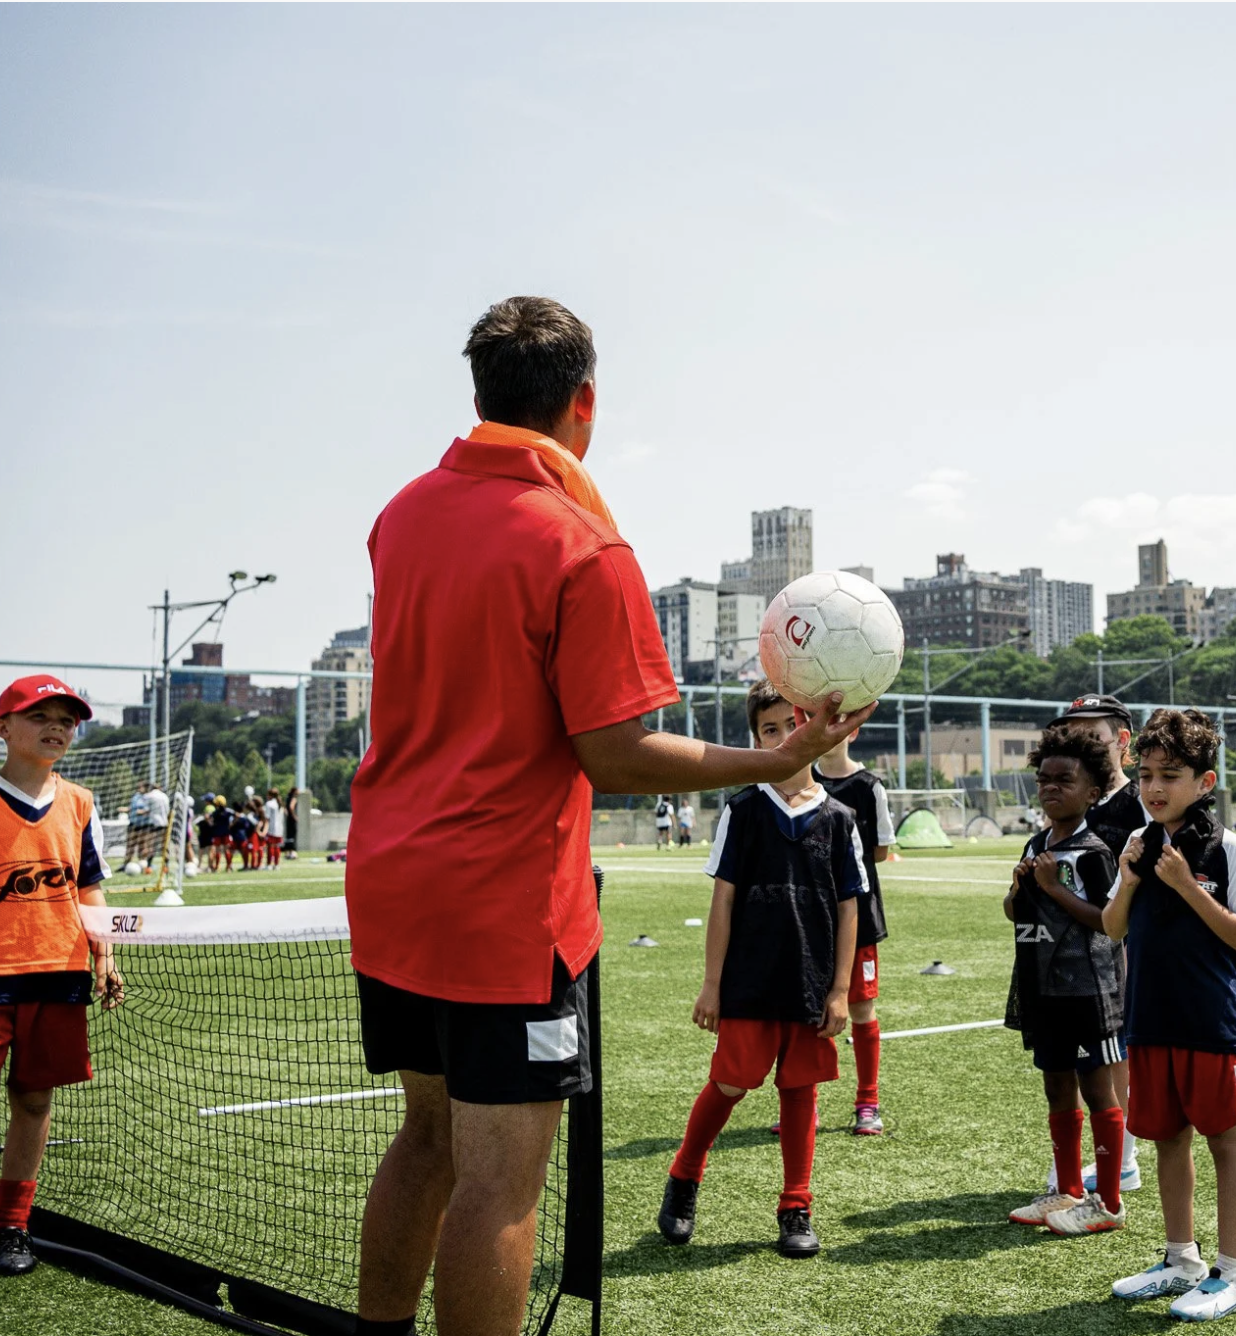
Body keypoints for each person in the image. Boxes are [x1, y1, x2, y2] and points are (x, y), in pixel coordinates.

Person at [345, 297, 871, 1336]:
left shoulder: (401, 512)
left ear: (480, 391)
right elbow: (616, 752)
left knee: (424, 1136)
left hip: (392, 883)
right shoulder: (584, 545)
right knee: (499, 1181)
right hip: (504, 910)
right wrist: (775, 756)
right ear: (585, 403)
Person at [657, 681, 865, 1259]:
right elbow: (721, 902)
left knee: (800, 1092)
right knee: (728, 1085)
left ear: (816, 730)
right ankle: (684, 1177)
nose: (783, 738)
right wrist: (711, 985)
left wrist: (841, 990)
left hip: (810, 983)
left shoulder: (840, 817)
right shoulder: (743, 810)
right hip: (749, 983)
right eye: (769, 730)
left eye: (793, 725)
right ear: (756, 740)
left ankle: (796, 1206)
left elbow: (849, 908)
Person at [1101, 709, 1236, 1322]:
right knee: (1167, 1138)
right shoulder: (1136, 846)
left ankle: (1233, 1270)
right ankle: (1181, 1259)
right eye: (1144, 775)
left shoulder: (1228, 849)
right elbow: (1112, 929)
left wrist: (1188, 887)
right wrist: (1129, 879)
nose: (1153, 787)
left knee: (1224, 1139)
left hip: (1209, 1022)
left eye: (1170, 774)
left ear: (1206, 780)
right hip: (1148, 1020)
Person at [0, 676, 123, 1277]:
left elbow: (89, 886)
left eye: (68, 719)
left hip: (58, 973)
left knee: (34, 1100)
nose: (58, 727)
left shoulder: (80, 802)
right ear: (3, 727)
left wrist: (104, 956)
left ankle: (11, 1227)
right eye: (41, 716)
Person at [1004, 726, 1128, 1236]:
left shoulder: (1096, 852)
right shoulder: (1037, 843)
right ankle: (1069, 1189)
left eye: (1065, 780)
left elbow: (1106, 921)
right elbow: (1014, 912)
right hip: (1041, 984)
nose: (1051, 788)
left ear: (1092, 793)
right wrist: (1019, 888)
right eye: (1044, 779)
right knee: (1056, 1085)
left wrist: (1053, 888)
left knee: (1097, 1087)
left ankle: (1110, 1202)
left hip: (1088, 989)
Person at [1048, 694, 1145, 1196]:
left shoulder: (1141, 803)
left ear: (1123, 742)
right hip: (1072, 959)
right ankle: (1092, 1161)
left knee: (1119, 1052)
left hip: (1128, 950)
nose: (1080, 744)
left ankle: (1125, 1155)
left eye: (1094, 734)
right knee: (1079, 1063)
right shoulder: (1072, 801)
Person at [812, 725, 897, 1134]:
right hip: (809, 915)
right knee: (809, 1007)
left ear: (854, 731)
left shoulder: (868, 786)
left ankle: (868, 1102)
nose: (830, 732)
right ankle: (803, 1101)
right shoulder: (802, 779)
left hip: (859, 915)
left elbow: (880, 850)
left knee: (861, 1008)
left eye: (839, 724)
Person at [264, 787, 286, 869]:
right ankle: (276, 865)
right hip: (279, 829)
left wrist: (264, 830)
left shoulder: (269, 804)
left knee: (270, 846)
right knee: (277, 847)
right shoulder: (280, 803)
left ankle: (269, 864)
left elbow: (267, 818)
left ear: (270, 795)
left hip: (272, 828)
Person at [284, 785, 301, 859]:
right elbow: (291, 807)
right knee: (293, 836)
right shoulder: (294, 798)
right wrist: (294, 816)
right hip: (292, 820)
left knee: (288, 836)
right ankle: (292, 853)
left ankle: (287, 853)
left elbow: (285, 809)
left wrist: (288, 815)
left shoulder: (288, 798)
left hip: (288, 819)